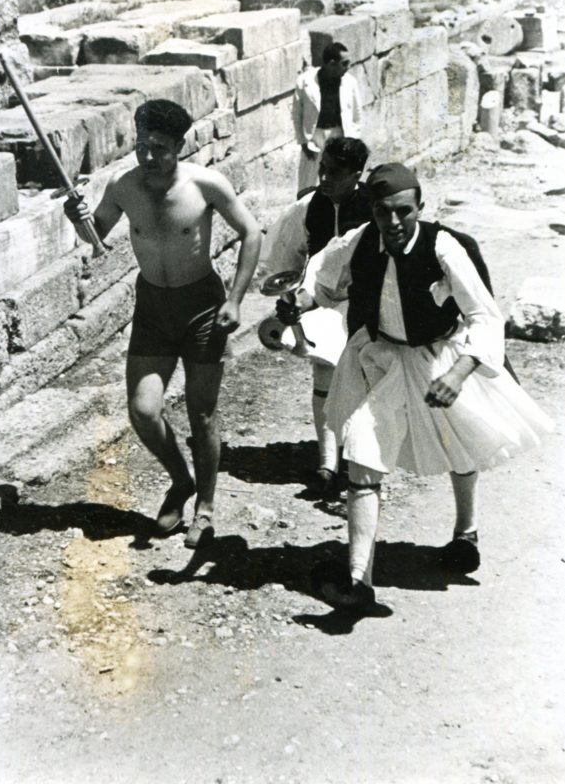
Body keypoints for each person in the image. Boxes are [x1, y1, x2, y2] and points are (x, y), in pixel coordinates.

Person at [278, 162, 553, 612]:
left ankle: (465, 532)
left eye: (403, 211)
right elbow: (325, 286)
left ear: (420, 206)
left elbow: (484, 315)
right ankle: (358, 580)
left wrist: (459, 371)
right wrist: (300, 302)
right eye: (382, 211)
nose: (393, 222)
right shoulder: (358, 241)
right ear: (371, 209)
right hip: (382, 360)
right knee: (362, 454)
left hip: (440, 356)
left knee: (460, 439)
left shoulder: (443, 247)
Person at [64, 99, 261, 548]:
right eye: (141, 146)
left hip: (202, 307)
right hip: (153, 306)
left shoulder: (205, 184)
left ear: (179, 145)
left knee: (202, 413)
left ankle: (205, 509)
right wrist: (77, 219)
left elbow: (252, 233)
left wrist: (235, 300)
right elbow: (97, 236)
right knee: (143, 410)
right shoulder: (123, 185)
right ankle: (181, 480)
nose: (148, 156)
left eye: (159, 147)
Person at [262, 137, 372, 496]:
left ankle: (359, 458)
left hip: (366, 301)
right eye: (322, 169)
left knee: (364, 375)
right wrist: (289, 296)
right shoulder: (308, 207)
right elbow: (285, 255)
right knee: (325, 367)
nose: (324, 178)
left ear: (356, 174)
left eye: (334, 173)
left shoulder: (374, 206)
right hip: (321, 300)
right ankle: (328, 463)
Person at [293, 42, 363, 195]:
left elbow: (357, 115)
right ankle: (307, 205)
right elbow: (297, 115)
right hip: (315, 135)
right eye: (344, 63)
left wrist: (353, 142)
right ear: (332, 63)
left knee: (341, 176)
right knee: (308, 180)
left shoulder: (350, 82)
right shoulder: (305, 81)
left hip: (340, 134)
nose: (348, 67)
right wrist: (303, 142)